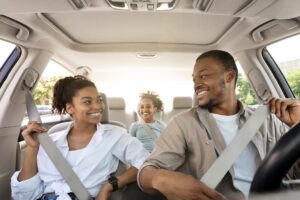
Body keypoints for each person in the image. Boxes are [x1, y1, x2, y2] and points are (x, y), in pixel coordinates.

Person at [138, 50, 300, 200]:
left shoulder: (267, 119)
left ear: (229, 76)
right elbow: (147, 171)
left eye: (203, 76)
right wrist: (159, 179)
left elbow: (293, 171)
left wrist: (297, 123)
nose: (196, 84)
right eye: (194, 79)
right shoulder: (183, 123)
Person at [11, 75, 149, 200]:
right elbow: (26, 195)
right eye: (87, 102)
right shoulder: (50, 140)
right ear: (70, 108)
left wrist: (110, 186)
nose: (98, 106)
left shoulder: (115, 135)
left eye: (99, 100)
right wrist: (32, 148)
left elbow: (145, 163)